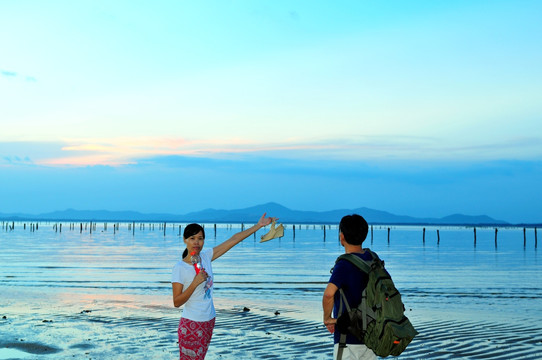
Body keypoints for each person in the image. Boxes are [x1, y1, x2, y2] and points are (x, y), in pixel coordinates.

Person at [171, 213, 277, 360]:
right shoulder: (180, 268)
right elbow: (176, 302)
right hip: (191, 323)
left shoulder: (206, 257)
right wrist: (195, 282)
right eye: (192, 238)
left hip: (209, 321)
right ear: (185, 240)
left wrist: (258, 226)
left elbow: (233, 239)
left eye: (200, 238)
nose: (196, 242)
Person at [322, 214, 377, 360]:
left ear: (342, 237)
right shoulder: (373, 260)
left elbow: (328, 294)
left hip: (347, 338)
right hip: (372, 335)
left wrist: (327, 318)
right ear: (364, 235)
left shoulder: (344, 265)